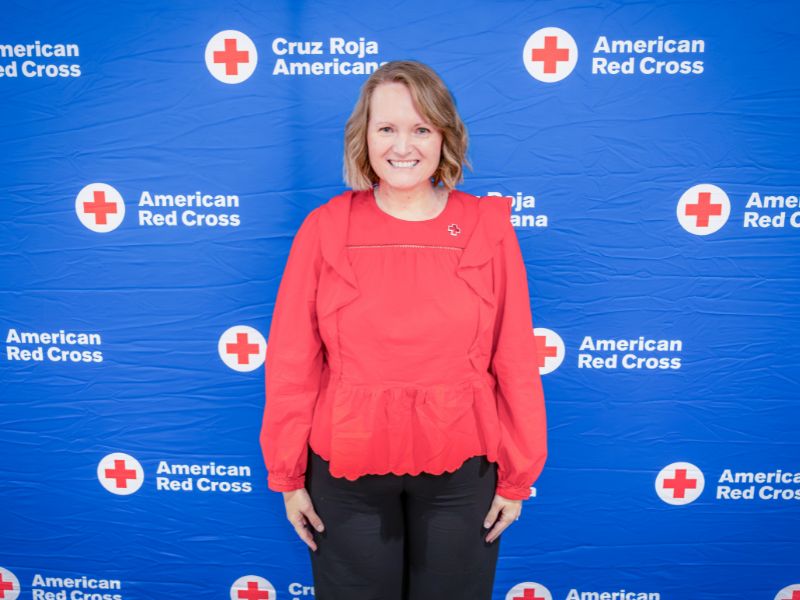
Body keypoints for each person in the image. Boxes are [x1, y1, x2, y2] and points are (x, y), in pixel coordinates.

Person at [260, 60, 547, 599]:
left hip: (463, 469)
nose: (403, 146)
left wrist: (518, 474)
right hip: (346, 468)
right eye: (386, 128)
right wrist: (288, 475)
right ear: (363, 138)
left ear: (444, 136)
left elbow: (513, 356)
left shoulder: (486, 228)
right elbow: (293, 361)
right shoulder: (326, 228)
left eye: (421, 129)